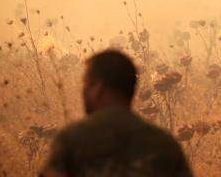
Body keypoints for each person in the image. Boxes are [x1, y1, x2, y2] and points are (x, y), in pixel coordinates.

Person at [40, 50, 192, 177]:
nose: (83, 90)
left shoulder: (72, 139)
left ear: (98, 89)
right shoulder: (164, 144)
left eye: (86, 83)